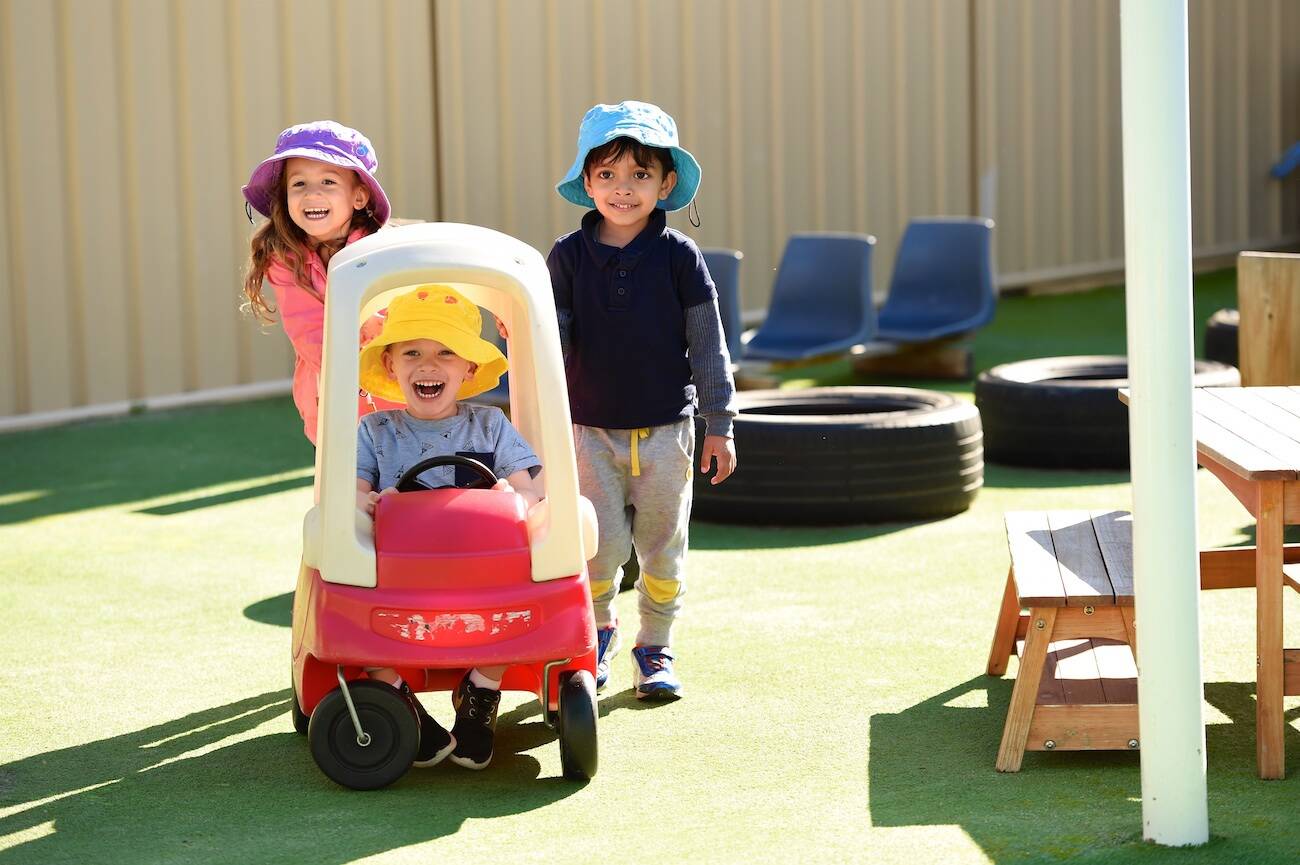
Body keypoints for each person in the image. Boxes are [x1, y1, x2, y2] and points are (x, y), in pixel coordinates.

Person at [547, 100, 737, 701]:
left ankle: (654, 646)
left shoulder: (680, 257)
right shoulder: (567, 257)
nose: (623, 189)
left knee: (662, 551)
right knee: (596, 550)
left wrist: (719, 423)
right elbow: (549, 343)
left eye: (640, 174)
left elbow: (707, 345)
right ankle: (596, 634)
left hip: (666, 434)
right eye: (607, 174)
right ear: (586, 182)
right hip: (589, 434)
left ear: (667, 183)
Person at [355, 285, 543, 770]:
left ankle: (481, 689)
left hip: (480, 571)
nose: (428, 365)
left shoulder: (491, 426)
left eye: (445, 353)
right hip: (399, 576)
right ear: (391, 365)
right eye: (412, 353)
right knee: (351, 617)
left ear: (469, 368)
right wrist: (372, 503)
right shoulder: (375, 431)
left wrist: (508, 497)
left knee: (523, 604)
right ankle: (401, 702)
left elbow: (530, 493)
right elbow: (350, 496)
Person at [241, 120, 400, 446]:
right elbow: (311, 334)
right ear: (285, 196)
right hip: (330, 401)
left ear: (358, 197)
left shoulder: (383, 250)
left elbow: (418, 308)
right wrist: (368, 335)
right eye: (299, 183)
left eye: (328, 181)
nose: (312, 193)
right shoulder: (285, 260)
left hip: (400, 395)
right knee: (346, 474)